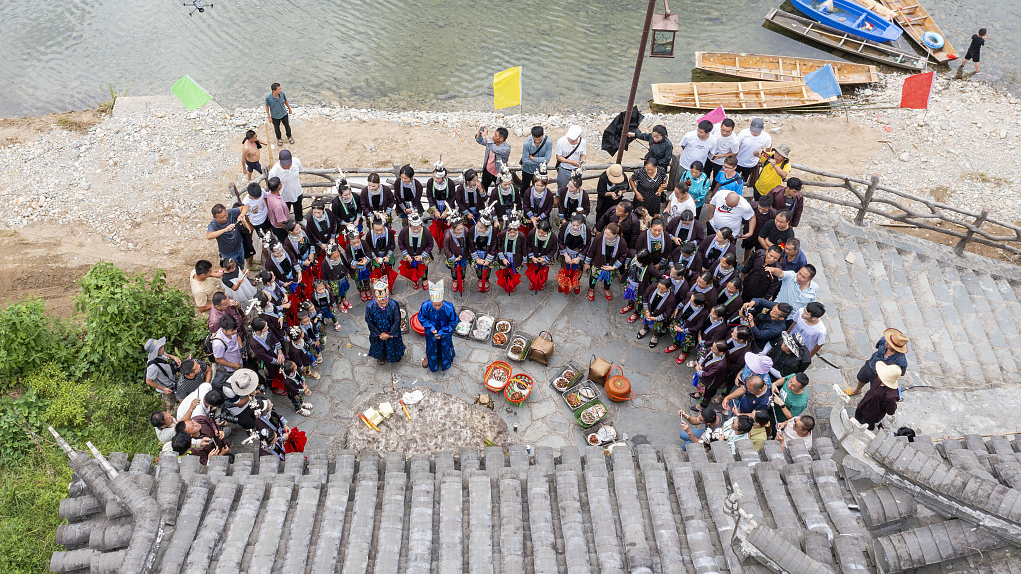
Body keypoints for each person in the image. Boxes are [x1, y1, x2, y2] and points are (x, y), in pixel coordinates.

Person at [846, 328, 909, 396]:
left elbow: (899, 373)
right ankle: (857, 390)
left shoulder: (901, 361)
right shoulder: (884, 340)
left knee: (874, 391)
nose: (886, 343)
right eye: (888, 341)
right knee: (861, 378)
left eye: (890, 344)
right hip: (870, 365)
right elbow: (877, 346)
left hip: (880, 377)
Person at [418, 280, 458, 372]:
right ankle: (429, 357)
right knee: (431, 346)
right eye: (435, 305)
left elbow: (453, 322)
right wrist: (431, 327)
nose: (437, 307)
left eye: (439, 305)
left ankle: (446, 359)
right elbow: (421, 317)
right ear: (431, 301)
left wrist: (442, 332)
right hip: (430, 332)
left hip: (445, 333)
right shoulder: (425, 306)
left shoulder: (449, 308)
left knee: (445, 346)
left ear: (443, 301)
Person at [365, 279, 405, 365]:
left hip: (391, 332)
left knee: (394, 344)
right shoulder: (369, 307)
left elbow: (397, 320)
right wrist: (379, 334)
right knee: (379, 345)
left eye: (386, 302)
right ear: (376, 299)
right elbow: (369, 321)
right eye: (381, 303)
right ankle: (381, 357)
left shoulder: (394, 304)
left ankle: (396, 356)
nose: (384, 305)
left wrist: (389, 334)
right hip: (378, 333)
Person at [584, 223, 626, 301]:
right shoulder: (599, 238)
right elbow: (592, 250)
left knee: (608, 279)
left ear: (615, 235)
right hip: (598, 263)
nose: (605, 235)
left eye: (608, 234)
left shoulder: (621, 242)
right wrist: (587, 263)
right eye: (605, 232)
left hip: (611, 265)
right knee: (593, 277)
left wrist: (614, 266)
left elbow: (623, 255)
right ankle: (591, 289)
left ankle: (607, 288)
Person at [397, 213, 435, 290]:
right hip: (409, 255)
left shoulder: (426, 232)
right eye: (414, 229)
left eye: (418, 228)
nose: (416, 230)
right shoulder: (404, 231)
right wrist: (406, 255)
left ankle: (424, 279)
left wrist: (422, 256)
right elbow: (400, 242)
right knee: (412, 269)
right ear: (410, 226)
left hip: (422, 255)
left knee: (423, 268)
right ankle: (415, 280)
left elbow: (430, 244)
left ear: (421, 225)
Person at [558, 211, 592, 296]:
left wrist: (579, 258)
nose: (576, 227)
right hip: (567, 252)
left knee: (577, 270)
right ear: (570, 222)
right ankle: (563, 283)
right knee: (564, 268)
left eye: (578, 225)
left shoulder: (586, 230)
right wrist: (565, 255)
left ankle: (576, 283)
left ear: (582, 223)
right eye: (573, 225)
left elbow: (587, 243)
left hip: (578, 254)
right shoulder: (565, 226)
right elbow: (560, 240)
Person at [206, 203, 249, 268]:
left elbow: (246, 207)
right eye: (221, 217)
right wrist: (225, 229)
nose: (225, 218)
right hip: (228, 253)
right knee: (234, 268)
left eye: (225, 215)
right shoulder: (213, 225)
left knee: (242, 263)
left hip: (239, 246)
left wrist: (241, 215)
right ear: (214, 217)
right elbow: (208, 236)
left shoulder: (230, 212)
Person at [638, 277, 677, 348]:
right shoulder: (653, 287)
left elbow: (668, 312)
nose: (659, 290)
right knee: (646, 321)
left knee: (657, 327)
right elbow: (645, 296)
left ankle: (655, 336)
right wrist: (647, 311)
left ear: (668, 289)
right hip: (648, 311)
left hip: (658, 317)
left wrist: (655, 318)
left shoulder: (671, 299)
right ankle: (645, 329)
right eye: (658, 287)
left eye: (662, 289)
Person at [693, 341, 730, 411]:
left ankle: (702, 406)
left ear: (721, 353)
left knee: (707, 395)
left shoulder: (720, 365)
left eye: (714, 348)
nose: (711, 348)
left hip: (711, 383)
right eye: (712, 346)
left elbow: (709, 374)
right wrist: (699, 363)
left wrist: (698, 371)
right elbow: (706, 353)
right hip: (704, 376)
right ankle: (699, 394)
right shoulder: (713, 351)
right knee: (702, 388)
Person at [467, 209, 498, 292]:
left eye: (481, 228)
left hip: (487, 253)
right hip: (477, 252)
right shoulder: (473, 230)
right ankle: (480, 279)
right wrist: (476, 258)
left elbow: (494, 245)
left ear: (488, 227)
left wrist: (488, 259)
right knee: (478, 268)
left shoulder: (493, 231)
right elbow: (470, 244)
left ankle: (486, 279)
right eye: (478, 226)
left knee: (487, 268)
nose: (478, 229)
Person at [269, 150, 304, 222]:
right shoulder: (274, 171)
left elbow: (300, 171)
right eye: (284, 165)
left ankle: (299, 220)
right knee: (286, 212)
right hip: (284, 196)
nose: (287, 166)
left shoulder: (296, 162)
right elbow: (272, 184)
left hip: (297, 192)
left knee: (298, 208)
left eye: (289, 164)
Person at [144, 337, 180, 406]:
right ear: (155, 352)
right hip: (166, 387)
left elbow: (166, 355)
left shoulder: (160, 353)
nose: (162, 349)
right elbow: (148, 381)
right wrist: (163, 389)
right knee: (172, 403)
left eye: (162, 346)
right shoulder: (152, 367)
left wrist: (174, 358)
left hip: (172, 378)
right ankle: (170, 411)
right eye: (159, 348)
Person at [426, 160, 455, 246]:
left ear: (444, 177)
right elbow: (429, 196)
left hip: (447, 207)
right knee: (437, 226)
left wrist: (446, 211)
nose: (435, 179)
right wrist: (435, 210)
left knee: (447, 225)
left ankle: (448, 243)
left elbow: (452, 197)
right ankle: (440, 244)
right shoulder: (430, 182)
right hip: (436, 206)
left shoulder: (450, 183)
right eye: (434, 177)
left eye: (438, 178)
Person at [210, 314, 243, 388]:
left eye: (235, 329)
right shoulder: (218, 344)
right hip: (231, 367)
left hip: (239, 358)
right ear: (223, 329)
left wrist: (242, 349)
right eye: (232, 330)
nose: (235, 331)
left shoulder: (233, 330)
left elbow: (238, 337)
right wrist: (233, 365)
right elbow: (218, 359)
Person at [742, 194, 776, 265]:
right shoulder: (752, 206)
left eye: (763, 210)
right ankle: (745, 261)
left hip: (763, 236)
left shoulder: (773, 214)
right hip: (750, 232)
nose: (760, 211)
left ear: (769, 207)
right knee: (748, 247)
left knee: (759, 251)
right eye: (759, 208)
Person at [735, 118, 771, 184]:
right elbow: (737, 146)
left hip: (751, 163)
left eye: (757, 131)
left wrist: (763, 158)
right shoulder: (743, 133)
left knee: (744, 178)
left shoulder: (766, 137)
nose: (755, 133)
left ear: (763, 128)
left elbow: (768, 147)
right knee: (733, 176)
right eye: (753, 130)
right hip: (738, 161)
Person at [526, 220, 558, 293]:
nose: (540, 234)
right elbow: (528, 245)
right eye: (539, 232)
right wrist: (532, 257)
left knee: (544, 271)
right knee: (533, 269)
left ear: (548, 230)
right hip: (534, 256)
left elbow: (554, 249)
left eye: (542, 233)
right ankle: (532, 281)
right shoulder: (532, 233)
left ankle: (542, 281)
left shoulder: (553, 237)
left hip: (545, 257)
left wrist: (546, 258)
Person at [496, 216, 526, 294]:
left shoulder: (521, 236)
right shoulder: (502, 234)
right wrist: (502, 258)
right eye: (510, 232)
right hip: (505, 257)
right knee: (505, 271)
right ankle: (506, 283)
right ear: (507, 229)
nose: (512, 234)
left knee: (514, 271)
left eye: (514, 232)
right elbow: (498, 246)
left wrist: (524, 260)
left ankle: (512, 283)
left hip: (516, 257)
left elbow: (524, 248)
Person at [476, 126, 511, 191]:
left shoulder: (506, 148)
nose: (493, 136)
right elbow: (479, 140)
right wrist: (479, 133)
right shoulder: (491, 141)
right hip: (487, 171)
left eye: (495, 135)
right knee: (483, 188)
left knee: (499, 191)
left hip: (498, 174)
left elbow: (495, 149)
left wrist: (486, 136)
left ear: (501, 139)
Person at [554, 125, 587, 191]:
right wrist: (571, 162)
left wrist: (582, 160)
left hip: (577, 169)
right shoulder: (561, 141)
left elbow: (583, 154)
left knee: (575, 187)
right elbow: (558, 157)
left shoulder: (582, 142)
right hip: (564, 168)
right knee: (561, 187)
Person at [520, 126, 552, 191]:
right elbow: (525, 160)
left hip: (541, 171)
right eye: (535, 139)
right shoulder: (527, 143)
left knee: (539, 187)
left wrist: (532, 158)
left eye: (539, 139)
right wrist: (540, 161)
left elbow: (547, 159)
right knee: (525, 187)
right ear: (532, 136)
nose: (537, 141)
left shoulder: (548, 142)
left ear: (543, 135)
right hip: (528, 170)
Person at [264, 177, 291, 243]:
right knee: (285, 242)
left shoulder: (270, 193)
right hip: (280, 228)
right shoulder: (277, 205)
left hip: (273, 223)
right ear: (279, 186)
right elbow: (280, 222)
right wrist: (288, 230)